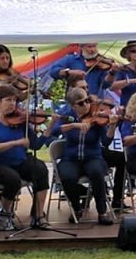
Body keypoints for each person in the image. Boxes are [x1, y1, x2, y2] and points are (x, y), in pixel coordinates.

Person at [0, 84, 52, 224]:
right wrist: (16, 142)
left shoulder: (20, 121)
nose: (13, 104)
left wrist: (49, 128)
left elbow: (35, 145)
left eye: (15, 100)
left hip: (19, 161)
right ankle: (5, 214)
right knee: (13, 179)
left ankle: (38, 215)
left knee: (41, 169)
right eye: (8, 100)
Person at [48, 87, 119, 225]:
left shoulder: (97, 117)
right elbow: (55, 131)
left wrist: (112, 126)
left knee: (97, 173)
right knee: (67, 176)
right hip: (71, 158)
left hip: (93, 157)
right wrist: (74, 125)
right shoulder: (67, 115)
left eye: (87, 101)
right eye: (81, 103)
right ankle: (76, 207)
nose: (86, 105)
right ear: (73, 106)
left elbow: (106, 141)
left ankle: (102, 212)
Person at [49, 43, 117, 99]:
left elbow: (105, 85)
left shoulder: (101, 63)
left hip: (95, 101)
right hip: (74, 101)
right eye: (89, 46)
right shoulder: (71, 59)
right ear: (81, 47)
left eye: (94, 46)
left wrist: (112, 73)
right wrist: (69, 72)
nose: (93, 50)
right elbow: (53, 71)